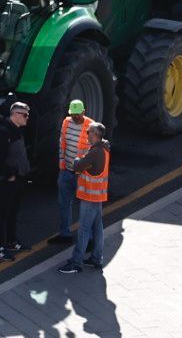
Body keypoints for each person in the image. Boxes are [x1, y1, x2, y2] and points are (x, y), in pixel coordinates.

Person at [56, 121, 110, 274]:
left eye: (89, 132)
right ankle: (96, 258)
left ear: (96, 135)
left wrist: (77, 160)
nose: (87, 134)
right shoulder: (104, 148)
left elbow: (77, 166)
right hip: (98, 195)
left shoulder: (95, 152)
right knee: (98, 227)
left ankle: (76, 262)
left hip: (89, 196)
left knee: (84, 230)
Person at [0, 102, 30, 260]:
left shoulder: (17, 131)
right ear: (15, 114)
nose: (28, 118)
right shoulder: (4, 132)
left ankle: (12, 241)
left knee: (13, 212)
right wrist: (9, 174)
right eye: (25, 114)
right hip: (8, 181)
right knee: (2, 214)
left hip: (18, 179)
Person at [52, 98, 91, 244]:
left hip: (82, 175)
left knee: (86, 208)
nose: (74, 117)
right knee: (63, 204)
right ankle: (65, 234)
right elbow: (62, 143)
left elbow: (93, 153)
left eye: (77, 114)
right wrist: (62, 165)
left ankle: (87, 239)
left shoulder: (91, 126)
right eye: (72, 114)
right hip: (66, 172)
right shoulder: (66, 122)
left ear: (83, 112)